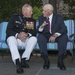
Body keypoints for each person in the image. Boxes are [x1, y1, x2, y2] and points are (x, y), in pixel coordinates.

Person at [6, 4, 37, 74]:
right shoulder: (14, 18)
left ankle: (24, 59)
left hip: (25, 40)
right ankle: (17, 62)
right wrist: (18, 35)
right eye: (30, 11)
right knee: (10, 38)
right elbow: (8, 30)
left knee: (34, 39)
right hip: (15, 40)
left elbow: (33, 32)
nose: (32, 13)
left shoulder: (31, 20)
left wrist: (27, 35)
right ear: (24, 12)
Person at [37, 4, 68, 70]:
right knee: (40, 37)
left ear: (49, 11)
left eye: (44, 11)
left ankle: (60, 61)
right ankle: (46, 61)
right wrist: (42, 26)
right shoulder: (41, 18)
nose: (42, 12)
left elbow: (64, 29)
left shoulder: (58, 17)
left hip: (57, 36)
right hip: (46, 36)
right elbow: (39, 31)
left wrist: (55, 35)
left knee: (64, 37)